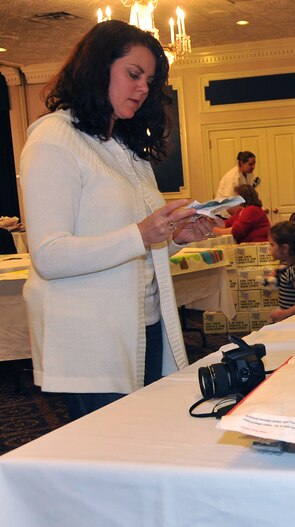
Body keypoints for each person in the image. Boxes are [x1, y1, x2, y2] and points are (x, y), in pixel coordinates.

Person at [19, 21, 220, 420]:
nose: (144, 88)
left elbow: (134, 240)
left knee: (143, 440)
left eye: (149, 79)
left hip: (143, 323)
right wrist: (143, 234)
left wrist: (177, 236)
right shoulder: (52, 139)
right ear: (97, 68)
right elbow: (49, 255)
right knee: (109, 454)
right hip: (90, 336)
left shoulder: (125, 148)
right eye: (133, 74)